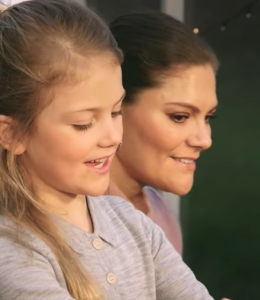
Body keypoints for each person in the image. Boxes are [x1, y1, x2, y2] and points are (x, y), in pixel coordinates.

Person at [0, 0, 219, 299]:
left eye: (115, 112)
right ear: (11, 133)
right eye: (83, 123)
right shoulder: (12, 253)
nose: (113, 137)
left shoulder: (132, 223)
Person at [108, 11, 219, 254]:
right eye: (180, 116)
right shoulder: (74, 221)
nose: (204, 140)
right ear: (115, 108)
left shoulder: (159, 211)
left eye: (209, 117)